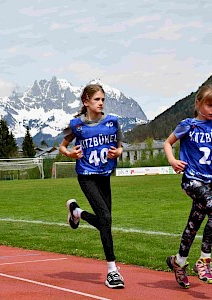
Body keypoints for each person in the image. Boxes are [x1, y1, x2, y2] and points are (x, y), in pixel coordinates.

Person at [163, 84, 212, 288]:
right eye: (209, 105)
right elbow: (168, 143)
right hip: (192, 179)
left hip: (209, 181)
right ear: (198, 103)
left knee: (194, 225)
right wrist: (172, 160)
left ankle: (179, 262)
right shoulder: (188, 125)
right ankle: (204, 260)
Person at [59, 83, 125, 289]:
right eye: (97, 99)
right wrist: (70, 154)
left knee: (106, 222)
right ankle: (112, 271)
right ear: (86, 102)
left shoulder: (113, 122)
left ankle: (77, 212)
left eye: (103, 99)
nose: (101, 103)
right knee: (105, 219)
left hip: (104, 176)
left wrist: (118, 152)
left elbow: (120, 147)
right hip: (86, 176)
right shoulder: (77, 125)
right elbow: (62, 146)